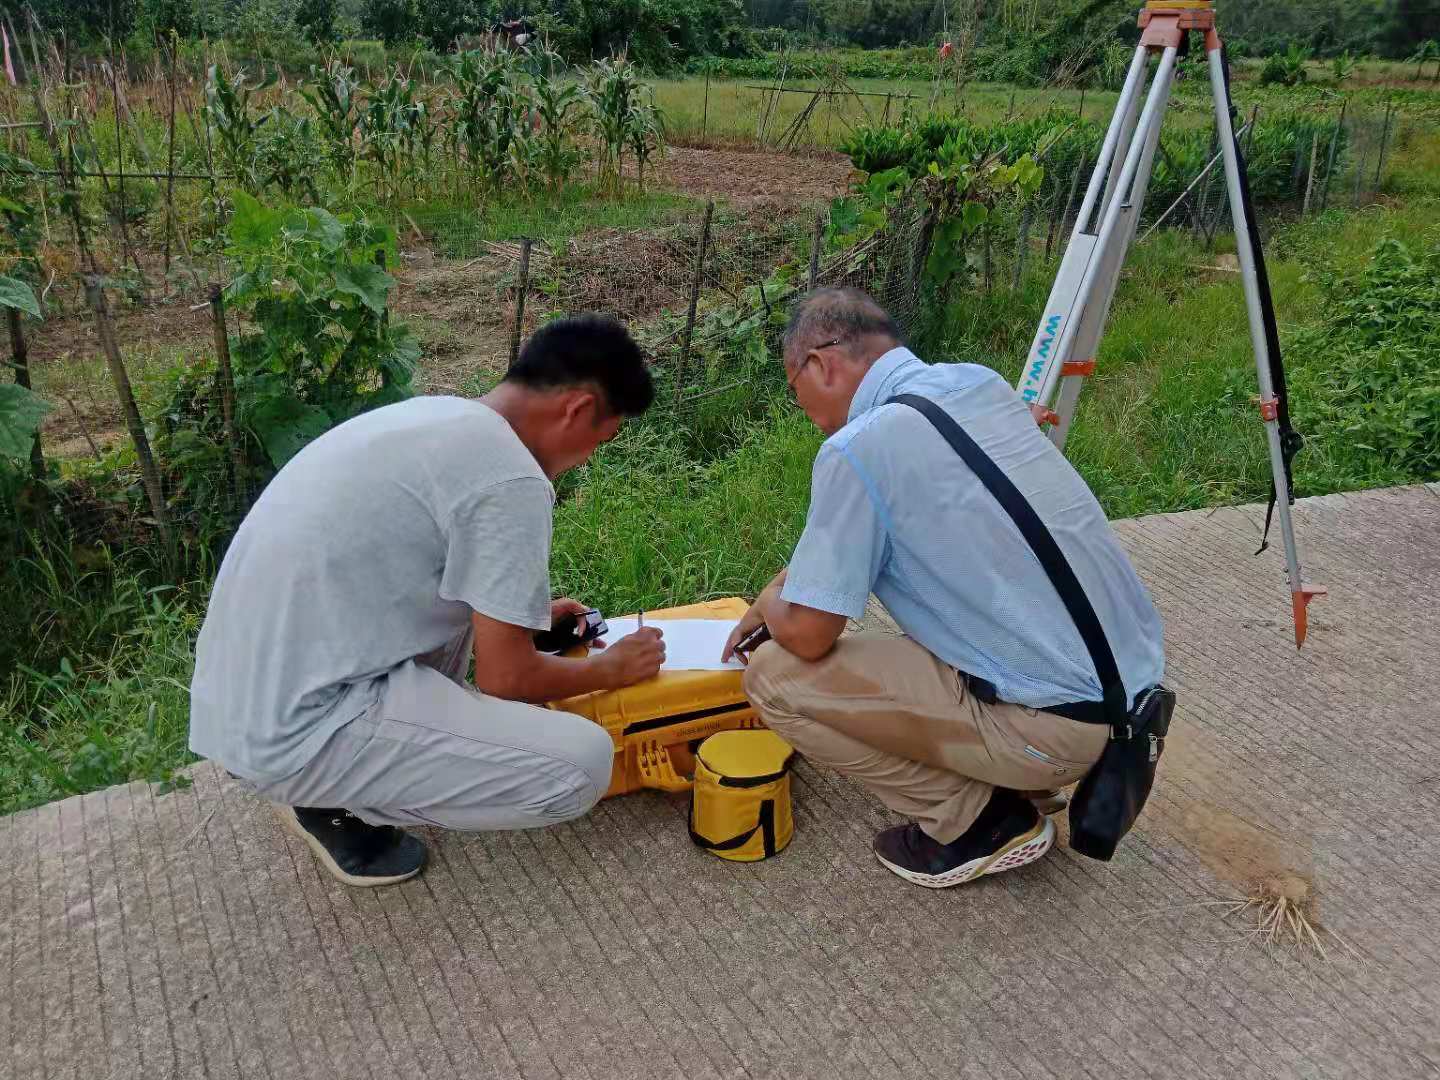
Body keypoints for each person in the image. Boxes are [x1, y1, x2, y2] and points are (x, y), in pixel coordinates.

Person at [190, 315, 666, 887]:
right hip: (300, 732)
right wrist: (610, 670)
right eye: (600, 440)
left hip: (244, 704)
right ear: (579, 410)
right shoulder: (510, 479)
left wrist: (524, 621)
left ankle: (332, 776)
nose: (587, 458)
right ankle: (333, 797)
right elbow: (506, 679)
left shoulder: (437, 417)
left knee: (463, 605)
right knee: (581, 767)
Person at [723, 288, 1165, 889]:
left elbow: (807, 634)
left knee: (773, 676)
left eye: (792, 383)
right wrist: (783, 588)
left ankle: (977, 821)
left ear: (821, 364)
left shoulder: (858, 448)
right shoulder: (980, 386)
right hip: (1131, 700)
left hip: (1057, 728)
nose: (798, 403)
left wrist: (773, 608)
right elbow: (857, 534)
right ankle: (1018, 776)